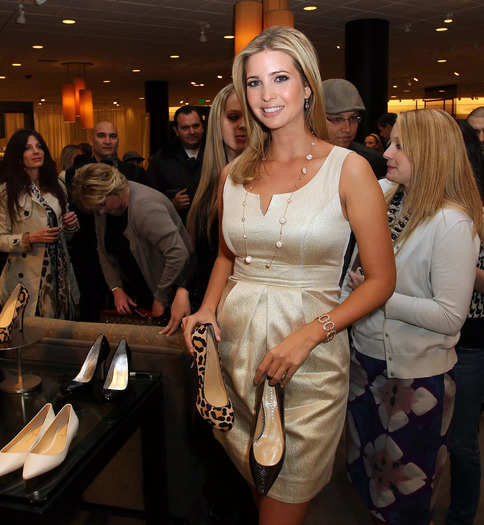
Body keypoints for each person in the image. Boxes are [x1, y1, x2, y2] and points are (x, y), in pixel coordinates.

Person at [181, 26, 396, 524]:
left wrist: (311, 334)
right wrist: (207, 308)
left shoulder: (348, 168)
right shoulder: (232, 175)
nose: (267, 94)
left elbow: (382, 280)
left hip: (309, 361)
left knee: (283, 502)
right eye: (253, 83)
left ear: (307, 87)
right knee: (260, 493)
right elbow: (225, 256)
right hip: (233, 359)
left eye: (280, 78)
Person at [344, 109, 482, 525]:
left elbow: (448, 316)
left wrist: (377, 294)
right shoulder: (387, 194)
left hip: (414, 381)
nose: (387, 151)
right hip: (366, 366)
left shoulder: (453, 222)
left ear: (431, 153)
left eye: (400, 145)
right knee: (366, 484)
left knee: (403, 500)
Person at [71, 162, 192, 331]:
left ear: (114, 190)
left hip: (172, 293)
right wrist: (116, 288)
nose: (100, 212)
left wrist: (160, 298)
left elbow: (178, 254)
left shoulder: (145, 207)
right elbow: (103, 251)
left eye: (102, 205)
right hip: (142, 292)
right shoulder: (104, 205)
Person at [0, 129, 79, 319]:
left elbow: (65, 236)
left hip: (61, 276)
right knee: (29, 335)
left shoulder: (57, 185)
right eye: (28, 148)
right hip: (27, 276)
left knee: (61, 334)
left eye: (39, 147)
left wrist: (70, 225)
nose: (36, 151)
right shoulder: (7, 191)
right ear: (18, 156)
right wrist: (30, 238)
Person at [64, 121, 148, 322]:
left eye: (113, 136)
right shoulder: (76, 171)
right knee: (92, 309)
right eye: (102, 136)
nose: (108, 141)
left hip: (127, 252)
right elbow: (76, 208)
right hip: (89, 252)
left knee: (131, 312)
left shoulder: (133, 172)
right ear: (92, 140)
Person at [446, 119, 484, 525]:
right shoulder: (414, 200)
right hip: (427, 339)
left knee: (460, 443)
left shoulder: (477, 208)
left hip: (470, 340)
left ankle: (461, 516)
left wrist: (456, 266)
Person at [186, 83, 247, 310]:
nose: (242, 125)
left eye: (249, 117)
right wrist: (184, 289)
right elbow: (201, 252)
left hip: (239, 301)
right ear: (216, 122)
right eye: (233, 117)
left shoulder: (265, 180)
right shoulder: (203, 178)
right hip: (204, 301)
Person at [148, 106, 206, 222]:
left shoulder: (216, 152)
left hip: (211, 228)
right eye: (185, 128)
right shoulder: (161, 158)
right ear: (176, 131)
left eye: (196, 126)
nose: (192, 132)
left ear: (203, 127)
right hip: (176, 227)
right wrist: (172, 203)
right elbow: (150, 199)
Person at [322, 78, 387, 178]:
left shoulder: (372, 162)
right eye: (337, 119)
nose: (347, 128)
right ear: (316, 118)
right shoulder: (297, 161)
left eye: (353, 118)